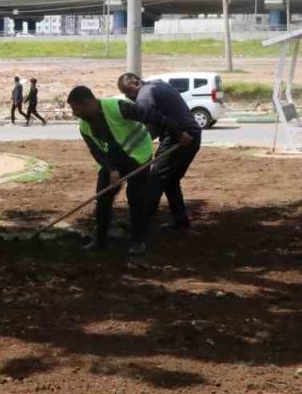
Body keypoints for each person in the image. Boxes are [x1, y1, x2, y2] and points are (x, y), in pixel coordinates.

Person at [66, 85, 153, 257]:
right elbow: (96, 151)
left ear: (89, 102)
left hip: (138, 155)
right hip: (113, 159)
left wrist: (177, 132)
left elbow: (150, 116)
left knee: (136, 198)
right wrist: (112, 170)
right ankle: (100, 240)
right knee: (103, 197)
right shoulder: (84, 126)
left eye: (76, 108)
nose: (75, 113)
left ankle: (138, 241)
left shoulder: (118, 106)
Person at [118, 72, 201, 231]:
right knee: (170, 180)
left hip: (181, 137)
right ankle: (181, 222)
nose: (129, 98)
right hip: (192, 135)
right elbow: (157, 125)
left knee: (155, 176)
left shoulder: (145, 95)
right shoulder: (157, 85)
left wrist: (179, 134)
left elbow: (155, 120)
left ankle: (139, 223)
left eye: (128, 93)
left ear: (136, 83)